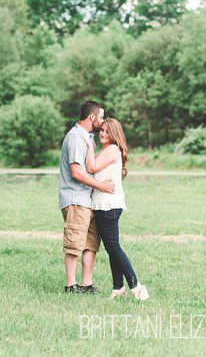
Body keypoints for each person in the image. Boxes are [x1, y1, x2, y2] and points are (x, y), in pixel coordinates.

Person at [80, 118, 149, 301]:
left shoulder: (111, 149)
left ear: (114, 134)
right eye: (101, 130)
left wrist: (88, 144)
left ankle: (136, 285)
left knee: (114, 247)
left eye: (106, 131)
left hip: (108, 205)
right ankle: (118, 287)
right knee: (111, 248)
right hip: (104, 204)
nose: (102, 133)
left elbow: (91, 167)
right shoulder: (107, 149)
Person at [58, 100, 115, 294]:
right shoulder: (76, 137)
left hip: (88, 201)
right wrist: (101, 186)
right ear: (92, 117)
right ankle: (71, 286)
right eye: (100, 116)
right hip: (76, 200)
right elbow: (76, 172)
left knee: (91, 244)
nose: (102, 120)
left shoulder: (87, 138)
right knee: (74, 243)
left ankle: (86, 284)